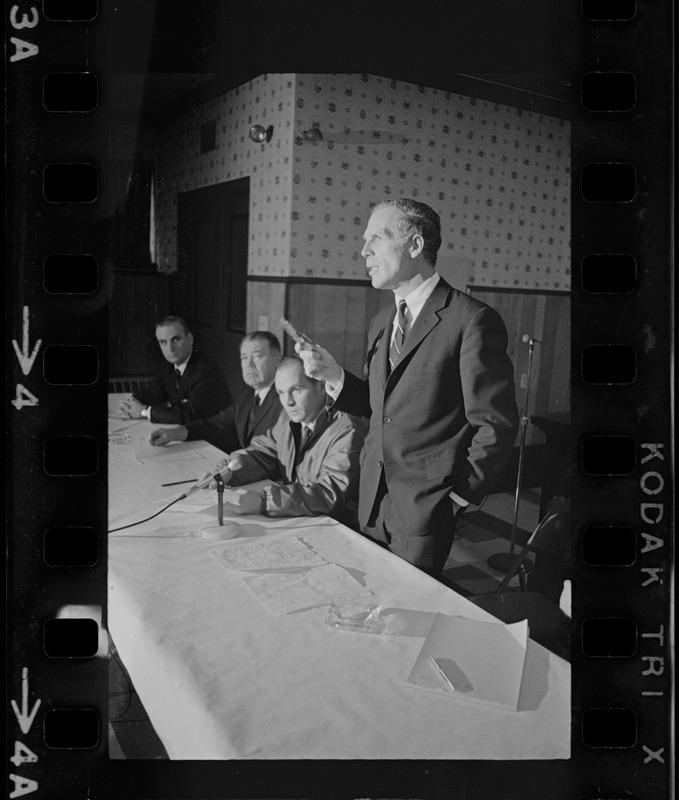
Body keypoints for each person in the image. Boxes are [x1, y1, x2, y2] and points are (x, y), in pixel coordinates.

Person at [296, 198, 519, 578]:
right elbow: (381, 408)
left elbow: (495, 425)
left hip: (425, 509)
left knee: (408, 616)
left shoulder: (472, 320)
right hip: (370, 497)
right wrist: (335, 378)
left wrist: (457, 498)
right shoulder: (382, 321)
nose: (363, 250)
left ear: (415, 246)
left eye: (376, 239)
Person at [202, 357, 367, 523]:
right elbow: (263, 452)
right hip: (299, 518)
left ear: (321, 386)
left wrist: (264, 501)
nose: (288, 402)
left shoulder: (348, 428)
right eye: (281, 393)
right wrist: (230, 470)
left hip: (337, 528)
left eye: (296, 390)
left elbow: (329, 492)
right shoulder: (288, 417)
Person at [148, 331, 283, 453]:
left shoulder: (285, 399)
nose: (250, 364)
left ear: (277, 360)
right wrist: (175, 433)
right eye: (244, 358)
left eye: (257, 356)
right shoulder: (248, 393)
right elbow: (217, 423)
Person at [117, 315, 231, 424]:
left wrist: (144, 411)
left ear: (190, 339)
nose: (170, 349)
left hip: (213, 441)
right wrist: (131, 403)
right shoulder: (170, 366)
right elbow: (154, 393)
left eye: (175, 340)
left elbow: (190, 414)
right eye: (163, 342)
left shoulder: (205, 371)